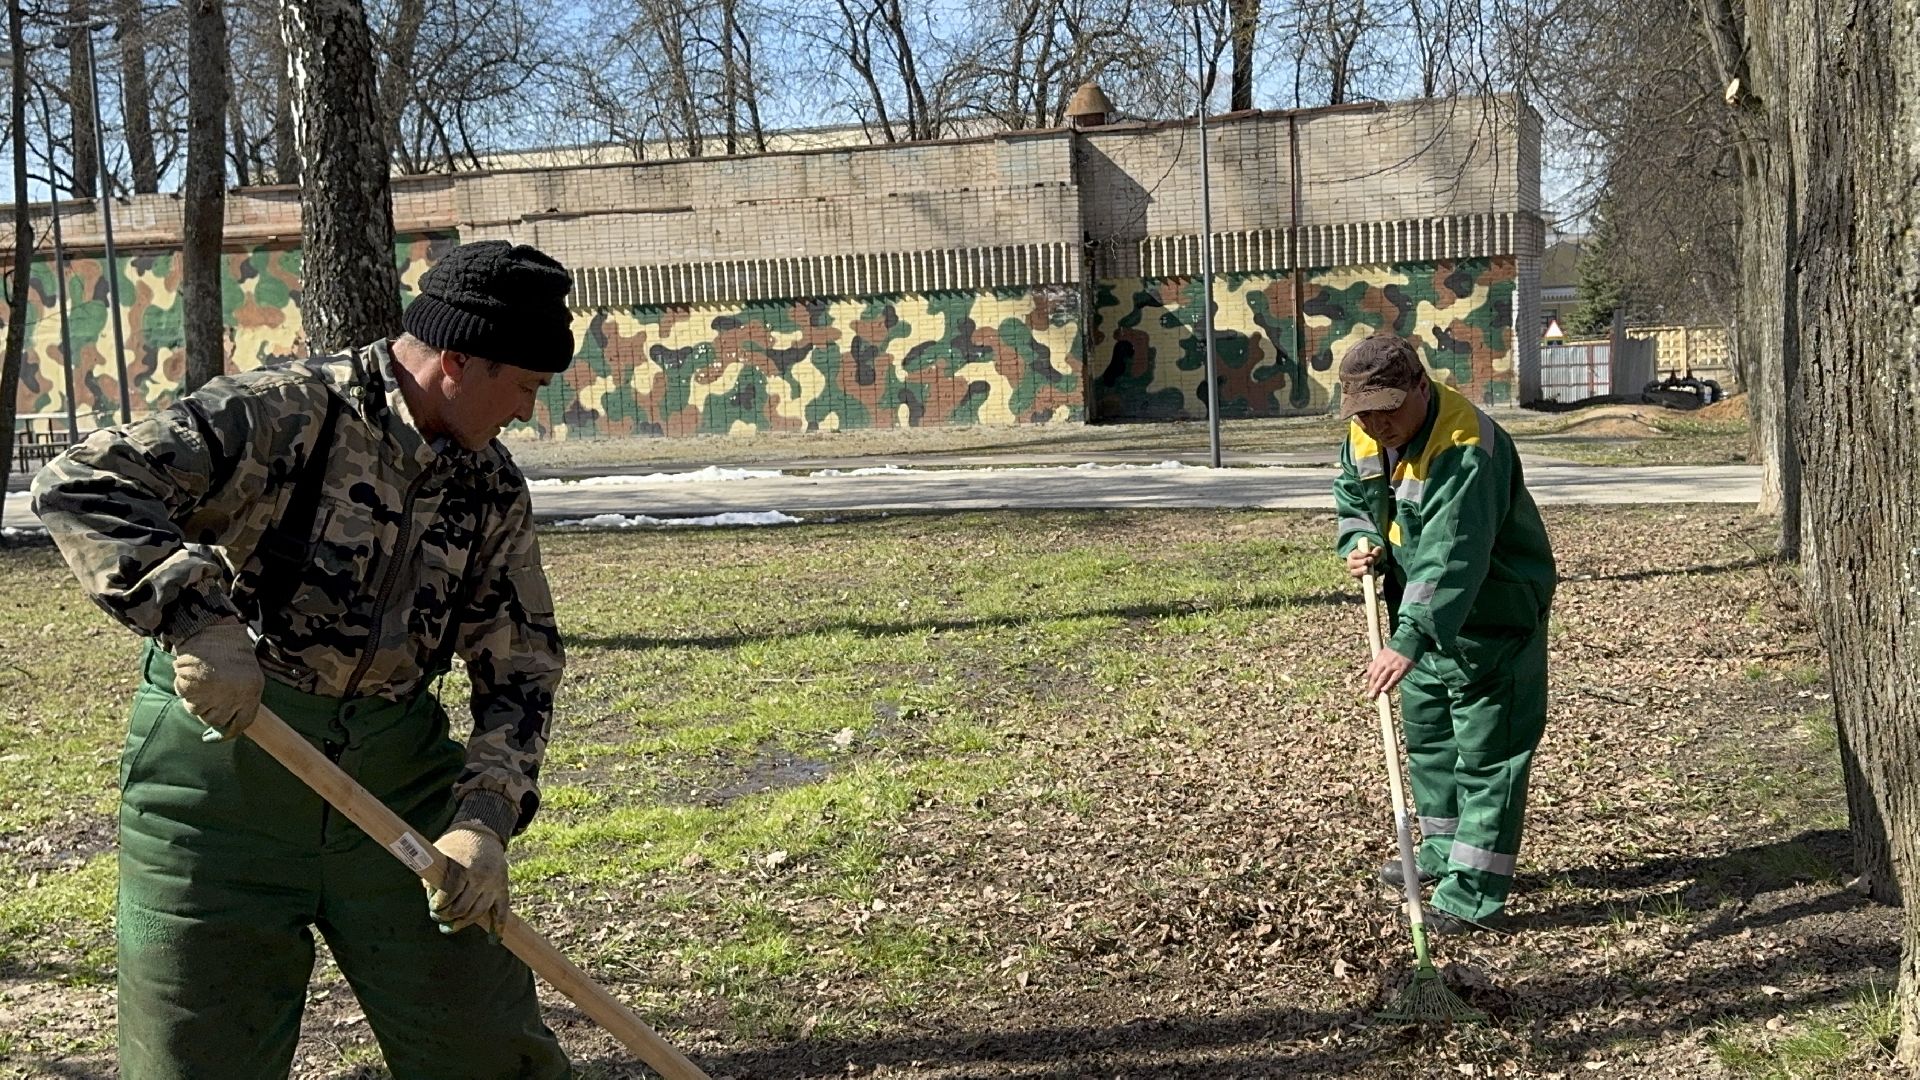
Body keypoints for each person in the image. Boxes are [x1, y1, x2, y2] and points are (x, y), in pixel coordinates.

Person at [33, 240, 579, 1078]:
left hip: (394, 785)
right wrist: (197, 622)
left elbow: (522, 664)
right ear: (457, 363)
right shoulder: (284, 412)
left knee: (484, 1044)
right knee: (196, 1056)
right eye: (526, 388)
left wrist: (484, 818)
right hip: (223, 785)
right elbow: (84, 481)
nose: (527, 413)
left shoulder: (489, 487)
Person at [1330, 331, 1556, 933]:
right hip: (1421, 614)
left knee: (1488, 757)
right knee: (1430, 741)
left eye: (1387, 410)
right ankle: (1441, 849)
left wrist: (1408, 638)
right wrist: (1361, 539)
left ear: (1421, 389)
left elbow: (1452, 555)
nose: (1377, 426)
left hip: (1493, 616)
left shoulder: (1466, 448)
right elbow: (1354, 496)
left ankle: (1474, 893)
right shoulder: (1366, 432)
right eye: (1363, 413)